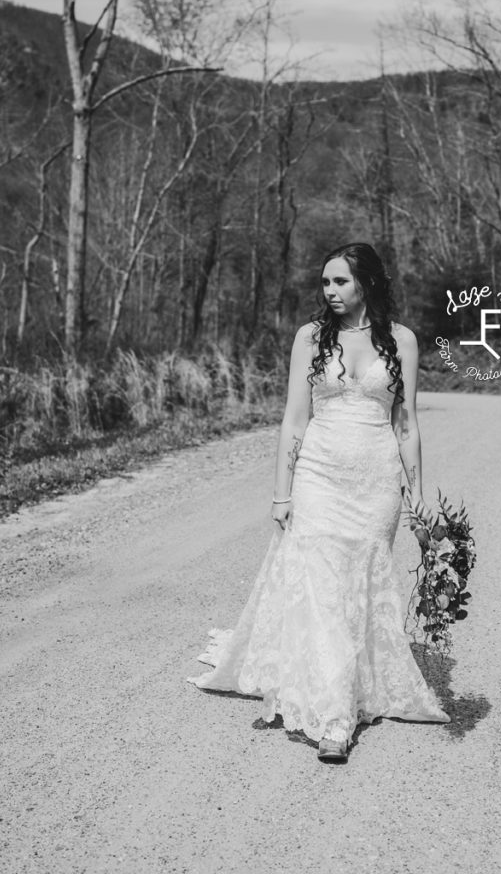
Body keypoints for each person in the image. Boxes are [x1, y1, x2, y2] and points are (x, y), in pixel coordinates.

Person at [187, 242, 450, 763]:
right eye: (325, 282)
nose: (329, 291)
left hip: (374, 482)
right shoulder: (310, 338)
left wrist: (416, 496)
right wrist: (282, 492)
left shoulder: (402, 340)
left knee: (357, 585)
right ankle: (334, 716)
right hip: (319, 476)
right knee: (323, 586)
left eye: (340, 282)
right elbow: (294, 419)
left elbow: (406, 424)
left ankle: (351, 681)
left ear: (367, 284)